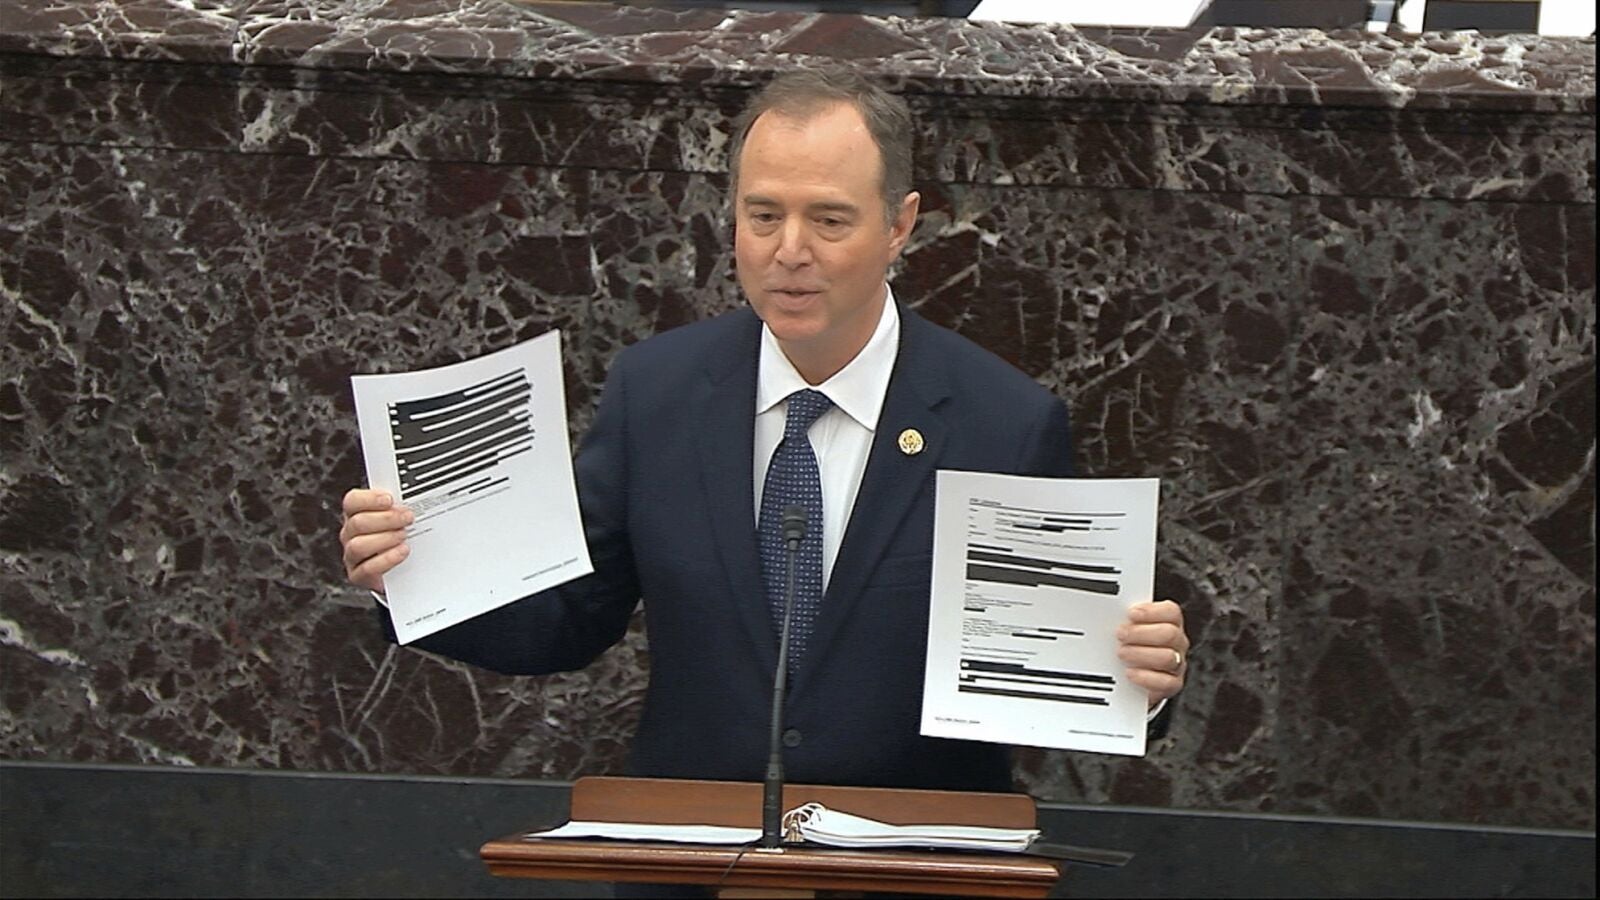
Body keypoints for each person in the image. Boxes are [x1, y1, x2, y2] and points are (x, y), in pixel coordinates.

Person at [339, 69, 1188, 794]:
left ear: (900, 225)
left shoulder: (1004, 422)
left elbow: (1048, 670)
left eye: (830, 220)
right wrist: (412, 573)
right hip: (692, 855)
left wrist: (1137, 682)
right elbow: (565, 619)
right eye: (763, 215)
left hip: (912, 862)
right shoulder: (656, 393)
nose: (790, 251)